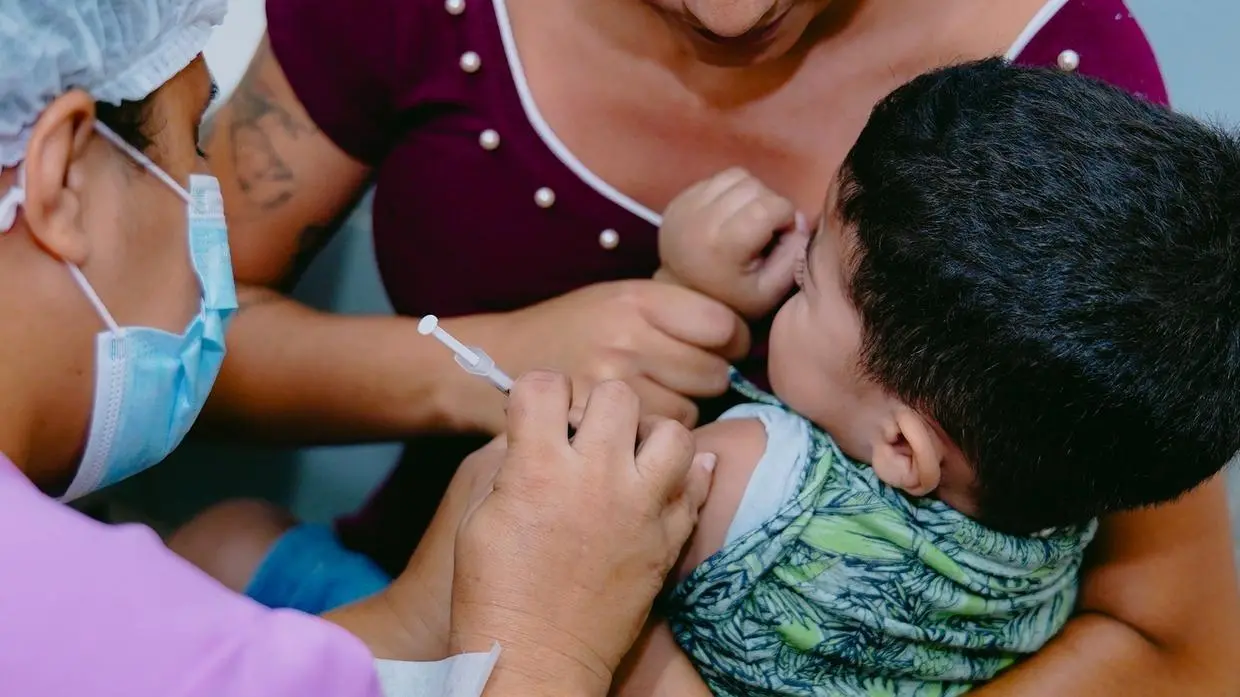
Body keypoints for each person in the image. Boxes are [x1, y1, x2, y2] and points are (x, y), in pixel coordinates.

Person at [175, 0, 1240, 692]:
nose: (731, 11)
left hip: (476, 620)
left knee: (217, 547)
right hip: (427, 585)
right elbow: (140, 334)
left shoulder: (1061, 113)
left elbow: (1179, 645)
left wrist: (639, 318)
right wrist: (491, 355)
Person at [0, 3, 715, 696]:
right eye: (194, 143)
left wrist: (420, 611)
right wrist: (548, 650)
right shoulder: (81, 616)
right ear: (62, 177)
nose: (207, 203)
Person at [617, 59, 1240, 695]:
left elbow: (551, 513)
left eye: (810, 281)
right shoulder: (1063, 515)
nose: (796, 257)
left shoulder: (744, 481)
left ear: (901, 447)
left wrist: (680, 288)